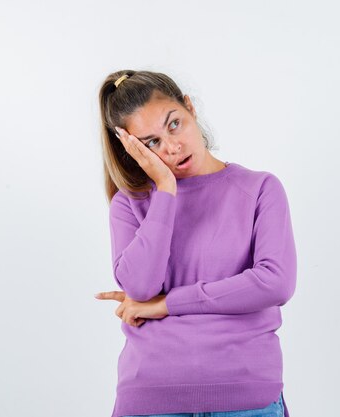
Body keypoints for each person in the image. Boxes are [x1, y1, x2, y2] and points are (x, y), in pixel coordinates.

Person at [94, 69, 297, 417]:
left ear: (189, 108)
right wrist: (165, 191)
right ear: (132, 150)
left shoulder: (260, 189)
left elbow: (274, 283)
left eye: (174, 124)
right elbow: (141, 287)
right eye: (151, 143)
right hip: (150, 400)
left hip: (245, 398)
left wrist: (167, 304)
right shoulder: (130, 204)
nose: (172, 147)